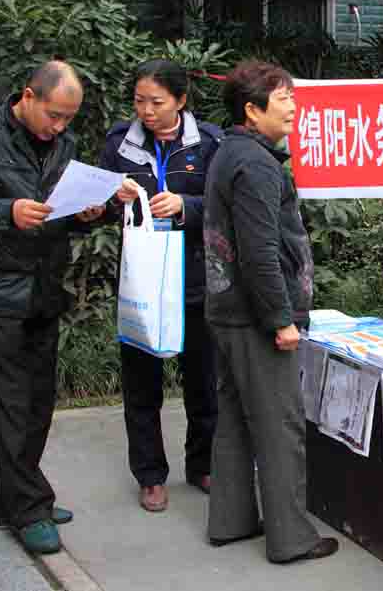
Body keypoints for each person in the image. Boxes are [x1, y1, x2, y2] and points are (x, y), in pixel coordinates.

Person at [0, 61, 107, 555]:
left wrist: (87, 213)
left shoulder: (63, 144)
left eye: (69, 119)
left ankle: (17, 500)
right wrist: (5, 211)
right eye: (54, 115)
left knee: (37, 402)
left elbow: (58, 210)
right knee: (8, 405)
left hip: (43, 288)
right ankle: (29, 509)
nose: (60, 127)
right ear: (28, 97)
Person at [202, 59, 338, 563]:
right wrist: (281, 319)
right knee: (280, 425)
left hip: (227, 309)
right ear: (252, 110)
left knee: (235, 418)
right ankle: (291, 539)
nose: (293, 107)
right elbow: (259, 252)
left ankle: (232, 520)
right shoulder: (257, 164)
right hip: (255, 317)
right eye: (283, 99)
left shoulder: (230, 151)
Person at [100, 59, 222, 513]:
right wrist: (116, 200)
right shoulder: (121, 143)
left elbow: (226, 205)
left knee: (203, 382)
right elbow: (100, 203)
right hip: (143, 281)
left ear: (181, 101)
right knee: (141, 385)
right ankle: (150, 475)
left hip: (194, 280)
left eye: (156, 102)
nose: (146, 111)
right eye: (139, 101)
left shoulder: (208, 144)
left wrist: (185, 205)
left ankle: (203, 464)